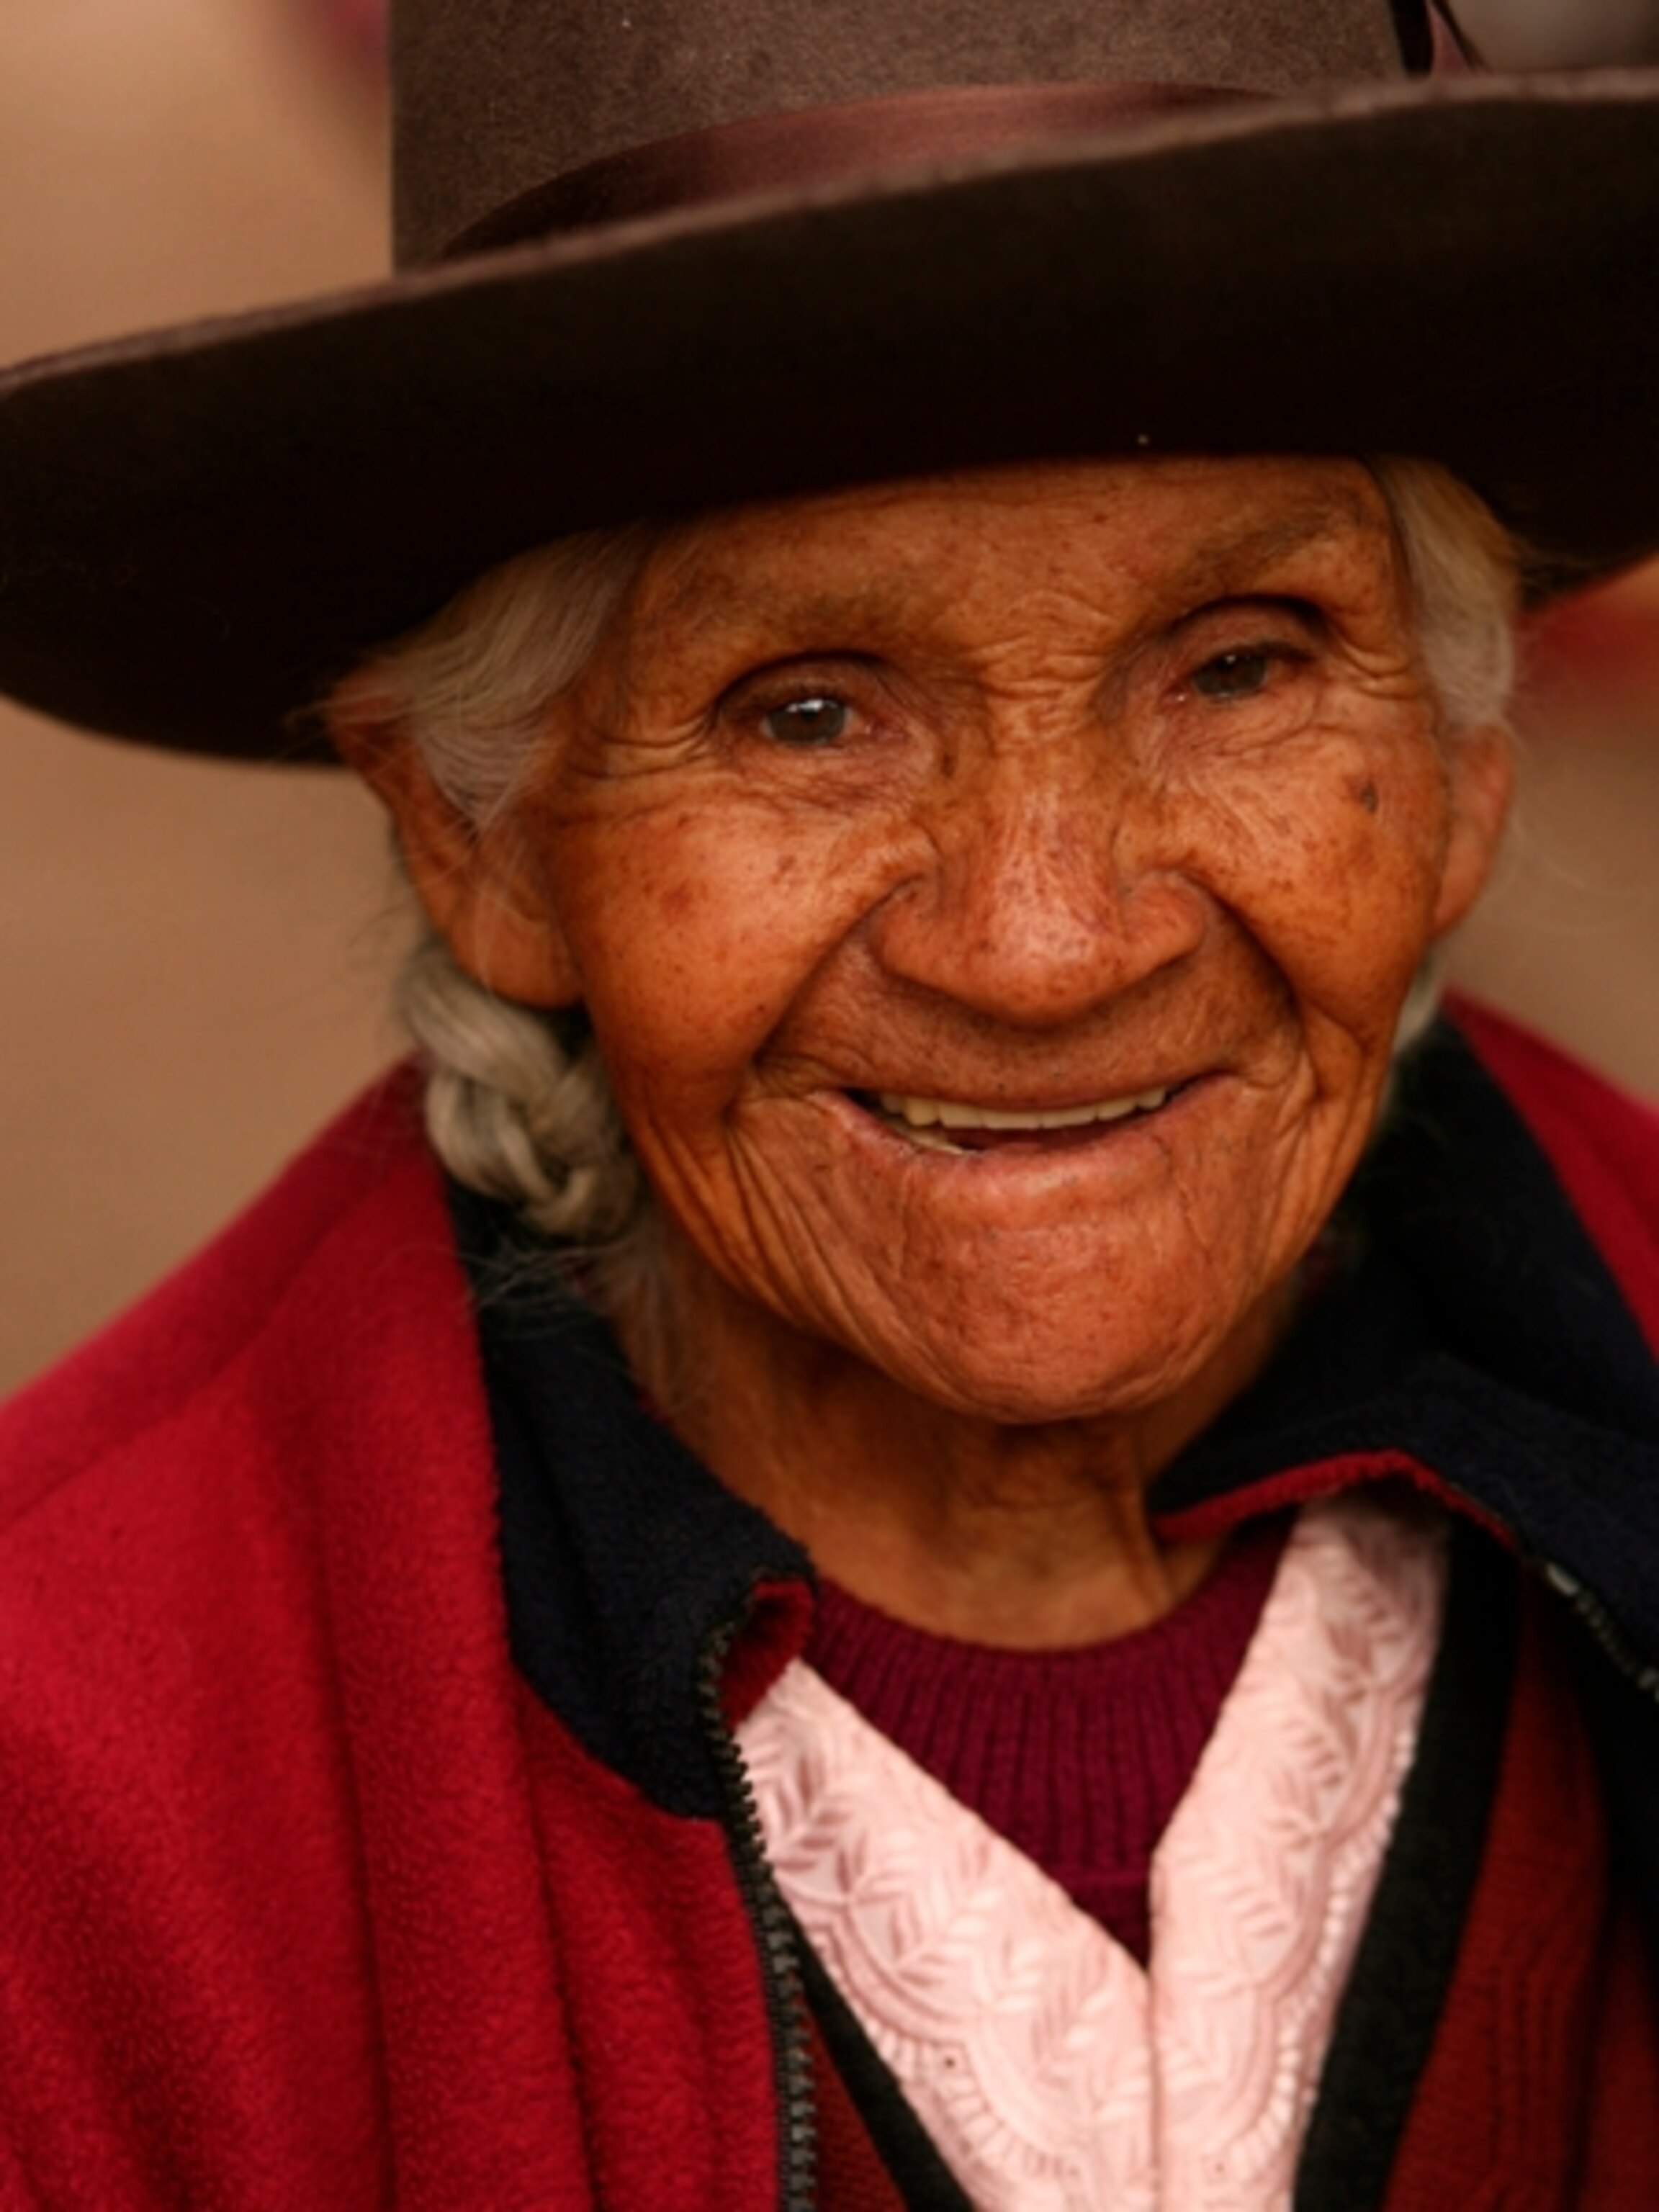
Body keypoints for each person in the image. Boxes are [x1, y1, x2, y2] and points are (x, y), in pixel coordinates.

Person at [0, 1, 1655, 2205]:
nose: (1050, 944)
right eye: (805, 712)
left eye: (1242, 662)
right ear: (481, 841)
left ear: (1458, 773)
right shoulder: (62, 1793)